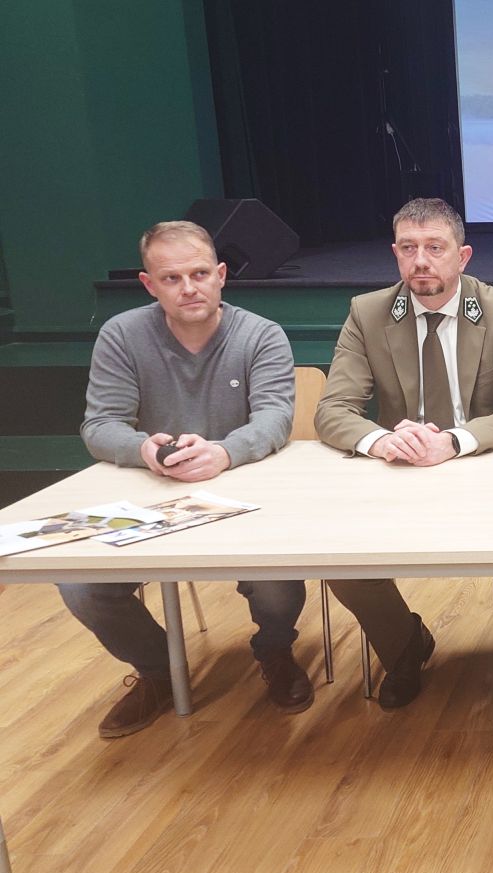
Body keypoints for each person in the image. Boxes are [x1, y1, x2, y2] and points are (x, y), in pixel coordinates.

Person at [63, 220, 310, 738]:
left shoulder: (260, 334)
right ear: (149, 284)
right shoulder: (122, 335)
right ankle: (159, 670)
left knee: (278, 581)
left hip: (244, 492)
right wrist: (145, 450)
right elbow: (100, 424)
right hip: (150, 496)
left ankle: (274, 651)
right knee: (79, 583)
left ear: (221, 275)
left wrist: (223, 452)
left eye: (199, 274)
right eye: (171, 278)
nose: (189, 288)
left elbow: (274, 419)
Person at [315, 198, 493, 735]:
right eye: (408, 248)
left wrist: (454, 442)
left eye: (435, 248)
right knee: (335, 554)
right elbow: (332, 410)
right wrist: (380, 441)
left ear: (462, 256)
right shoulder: (368, 313)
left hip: (480, 464)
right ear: (395, 253)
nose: (421, 260)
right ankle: (404, 646)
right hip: (401, 470)